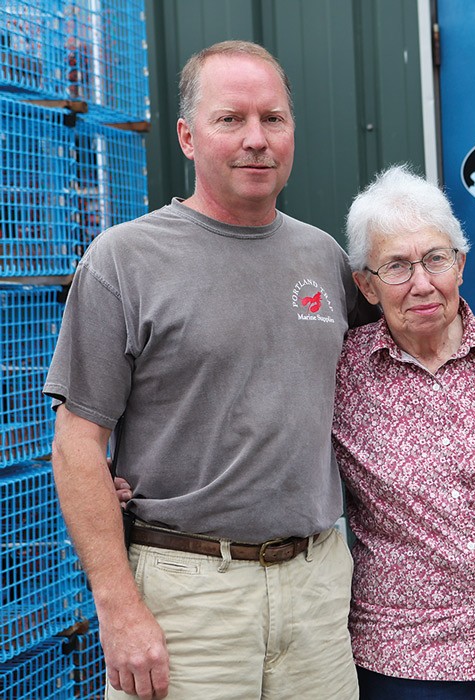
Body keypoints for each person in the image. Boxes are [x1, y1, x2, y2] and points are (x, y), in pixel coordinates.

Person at [46, 41, 364, 699]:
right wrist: (118, 606)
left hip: (315, 591)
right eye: (232, 120)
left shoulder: (325, 257)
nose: (257, 139)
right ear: (188, 137)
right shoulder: (124, 262)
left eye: (273, 119)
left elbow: (397, 362)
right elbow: (76, 444)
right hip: (187, 599)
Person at [333, 164, 475, 699]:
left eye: (436, 258)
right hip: (401, 655)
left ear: (460, 263)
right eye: (396, 266)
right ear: (365, 284)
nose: (422, 283)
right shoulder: (341, 374)